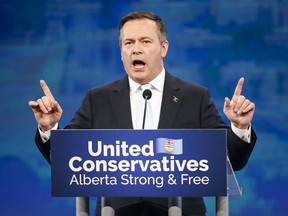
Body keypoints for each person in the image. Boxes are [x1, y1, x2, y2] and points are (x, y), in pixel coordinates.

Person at [29, 11, 257, 216]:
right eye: (128, 43)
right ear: (121, 52)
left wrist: (239, 127)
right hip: (115, 211)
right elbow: (67, 159)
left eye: (145, 41)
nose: (136, 48)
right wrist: (49, 128)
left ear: (163, 48)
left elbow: (231, 161)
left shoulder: (194, 96)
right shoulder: (97, 98)